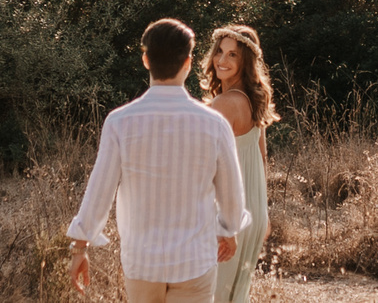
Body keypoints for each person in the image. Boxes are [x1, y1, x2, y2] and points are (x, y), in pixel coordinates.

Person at [66, 18, 247, 302]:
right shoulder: (214, 124)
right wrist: (228, 228)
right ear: (188, 62)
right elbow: (232, 195)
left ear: (146, 60)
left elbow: (99, 191)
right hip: (195, 262)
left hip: (142, 263)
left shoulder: (120, 122)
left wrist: (80, 246)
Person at [199, 24, 277, 303]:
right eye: (219, 51)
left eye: (232, 55)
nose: (222, 60)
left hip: (230, 215)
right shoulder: (256, 101)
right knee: (235, 295)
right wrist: (263, 213)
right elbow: (262, 158)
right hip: (253, 211)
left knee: (212, 294)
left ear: (246, 61)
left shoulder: (224, 104)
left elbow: (206, 169)